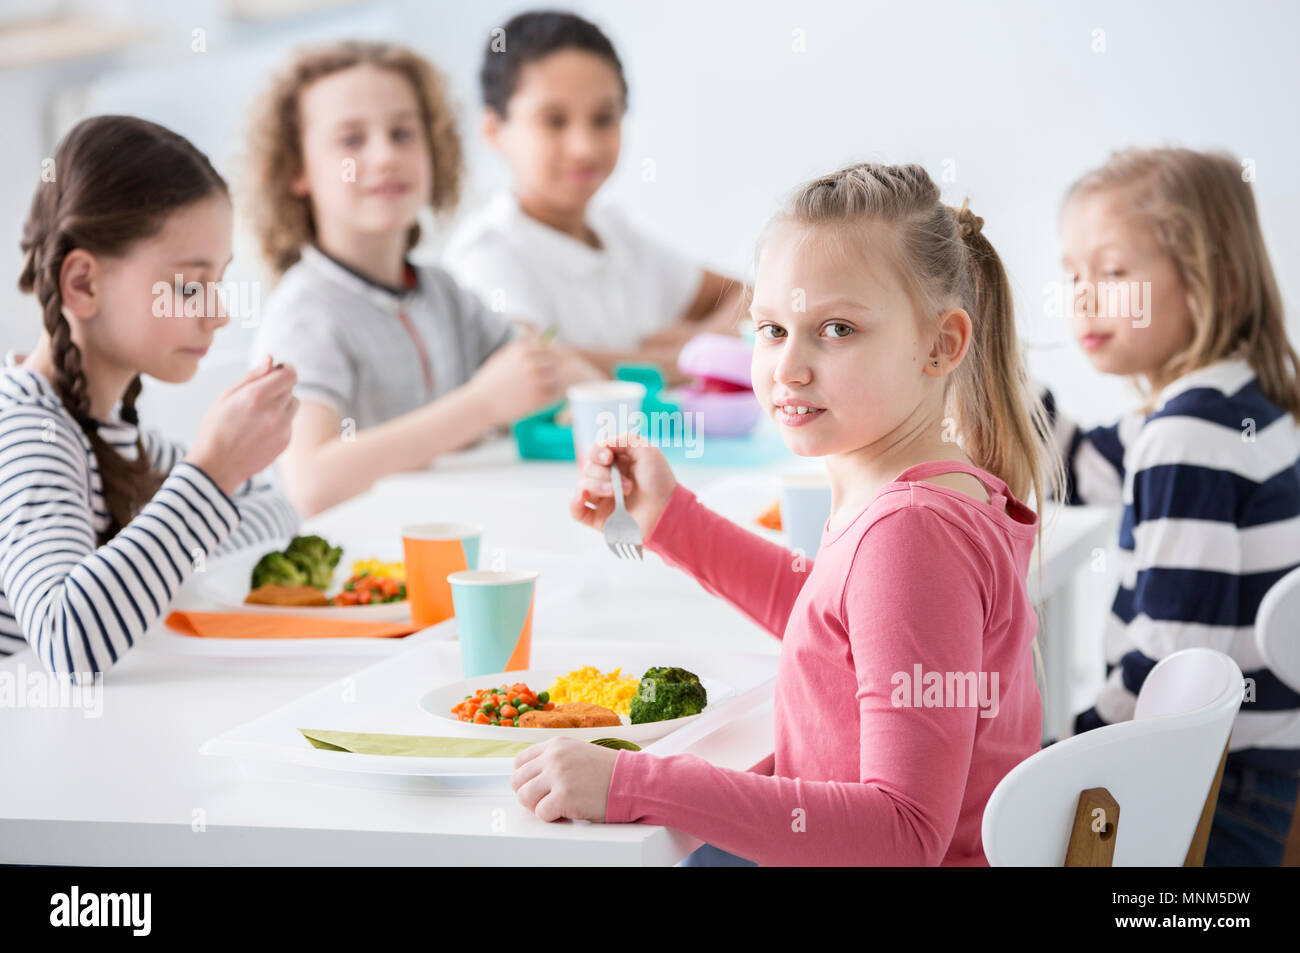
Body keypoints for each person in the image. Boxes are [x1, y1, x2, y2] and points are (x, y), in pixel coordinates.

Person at [512, 163, 1060, 865]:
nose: (789, 368)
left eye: (836, 329)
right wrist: (668, 518)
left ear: (941, 344)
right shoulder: (939, 490)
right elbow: (835, 617)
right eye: (770, 329)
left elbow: (904, 832)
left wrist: (632, 783)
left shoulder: (912, 532)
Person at [1044, 146, 1300, 866]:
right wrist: (989, 369)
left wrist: (1066, 748)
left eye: (1114, 272)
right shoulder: (1229, 402)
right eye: (1073, 276)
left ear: (1210, 278)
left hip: (1215, 793)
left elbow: (1177, 667)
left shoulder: (1190, 434)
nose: (1084, 297)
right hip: (1258, 772)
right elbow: (1084, 468)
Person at [245, 41, 598, 517]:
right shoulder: (305, 311)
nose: (385, 156)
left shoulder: (441, 292)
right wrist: (482, 407)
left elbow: (535, 362)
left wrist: (583, 388)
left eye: (403, 133)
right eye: (351, 140)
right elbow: (310, 483)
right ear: (296, 170)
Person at [0, 115, 299, 677]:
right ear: (83, 284)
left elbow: (279, 514)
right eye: (190, 286)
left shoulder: (111, 430)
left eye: (220, 282)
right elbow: (65, 638)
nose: (218, 314)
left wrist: (194, 514)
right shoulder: (27, 432)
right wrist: (212, 475)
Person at [443, 10, 745, 383]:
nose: (584, 148)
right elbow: (533, 368)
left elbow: (748, 295)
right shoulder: (486, 253)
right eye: (553, 120)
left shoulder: (615, 236)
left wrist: (705, 337)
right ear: (493, 129)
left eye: (604, 118)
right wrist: (691, 359)